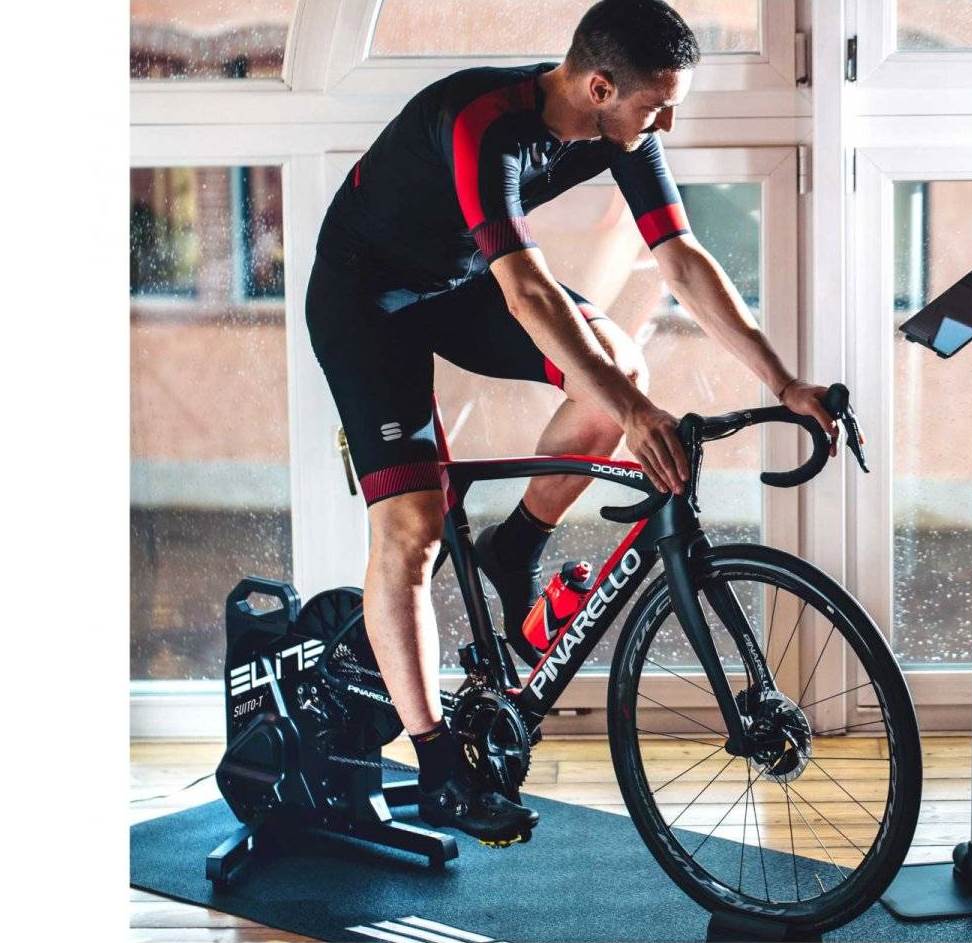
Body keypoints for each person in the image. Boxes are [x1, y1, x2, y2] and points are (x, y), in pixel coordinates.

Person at [305, 0, 838, 845]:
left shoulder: (621, 129)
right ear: (599, 88)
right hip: (367, 299)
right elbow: (527, 291)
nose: (667, 123)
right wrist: (633, 415)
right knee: (411, 529)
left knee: (622, 368)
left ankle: (513, 546)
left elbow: (681, 258)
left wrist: (785, 379)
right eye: (658, 106)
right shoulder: (486, 122)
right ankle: (440, 767)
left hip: (455, 283)